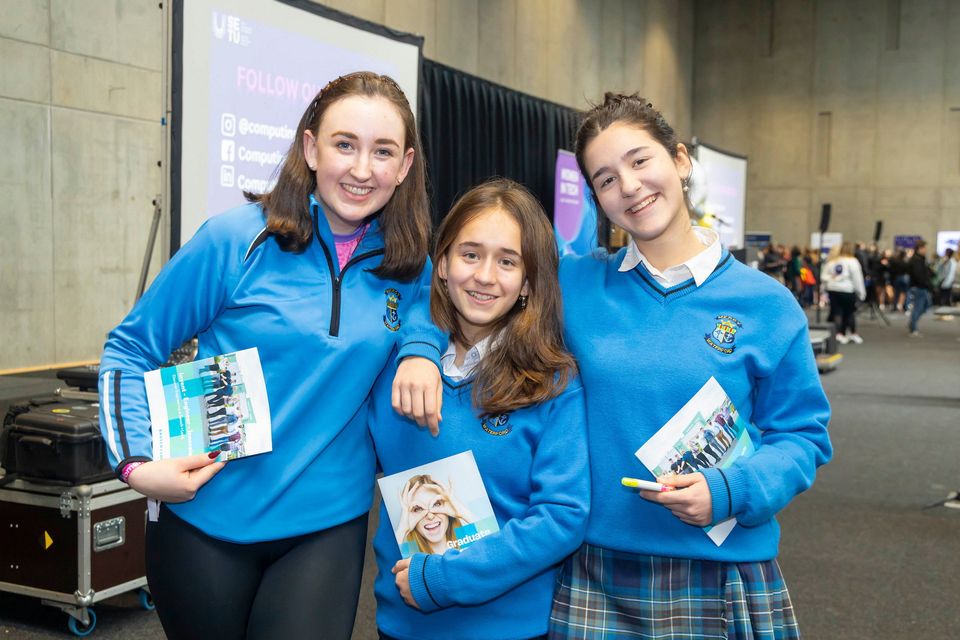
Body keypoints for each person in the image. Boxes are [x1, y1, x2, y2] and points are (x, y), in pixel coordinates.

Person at [97, 71, 436, 640]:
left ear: (403, 167)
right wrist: (136, 464)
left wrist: (422, 349)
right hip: (206, 513)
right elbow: (129, 349)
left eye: (382, 152)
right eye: (344, 144)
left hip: (326, 524)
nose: (361, 169)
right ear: (310, 147)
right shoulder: (235, 239)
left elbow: (430, 320)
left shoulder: (409, 268)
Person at [369, 179, 590, 640]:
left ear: (528, 283)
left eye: (507, 261)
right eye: (470, 254)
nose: (485, 276)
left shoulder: (553, 383)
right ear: (443, 264)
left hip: (508, 628)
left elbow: (562, 516)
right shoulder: (395, 364)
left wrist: (447, 578)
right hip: (402, 622)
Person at [396, 474, 475, 555]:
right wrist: (402, 530)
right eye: (418, 509)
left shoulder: (472, 544)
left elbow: (488, 539)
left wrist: (462, 512)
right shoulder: (408, 557)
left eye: (436, 504)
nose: (430, 516)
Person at [822, 242, 867, 344]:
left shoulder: (833, 261)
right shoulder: (853, 262)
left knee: (837, 312)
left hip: (833, 289)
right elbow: (857, 279)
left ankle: (838, 334)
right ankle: (852, 333)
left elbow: (824, 276)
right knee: (849, 312)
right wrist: (861, 293)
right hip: (847, 290)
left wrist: (831, 280)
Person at [907, 240, 934, 336]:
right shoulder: (916, 260)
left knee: (924, 305)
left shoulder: (920, 259)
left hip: (921, 286)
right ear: (920, 248)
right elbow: (918, 275)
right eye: (924, 248)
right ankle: (913, 327)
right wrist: (926, 283)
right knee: (919, 307)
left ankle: (913, 324)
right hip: (919, 287)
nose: (926, 250)